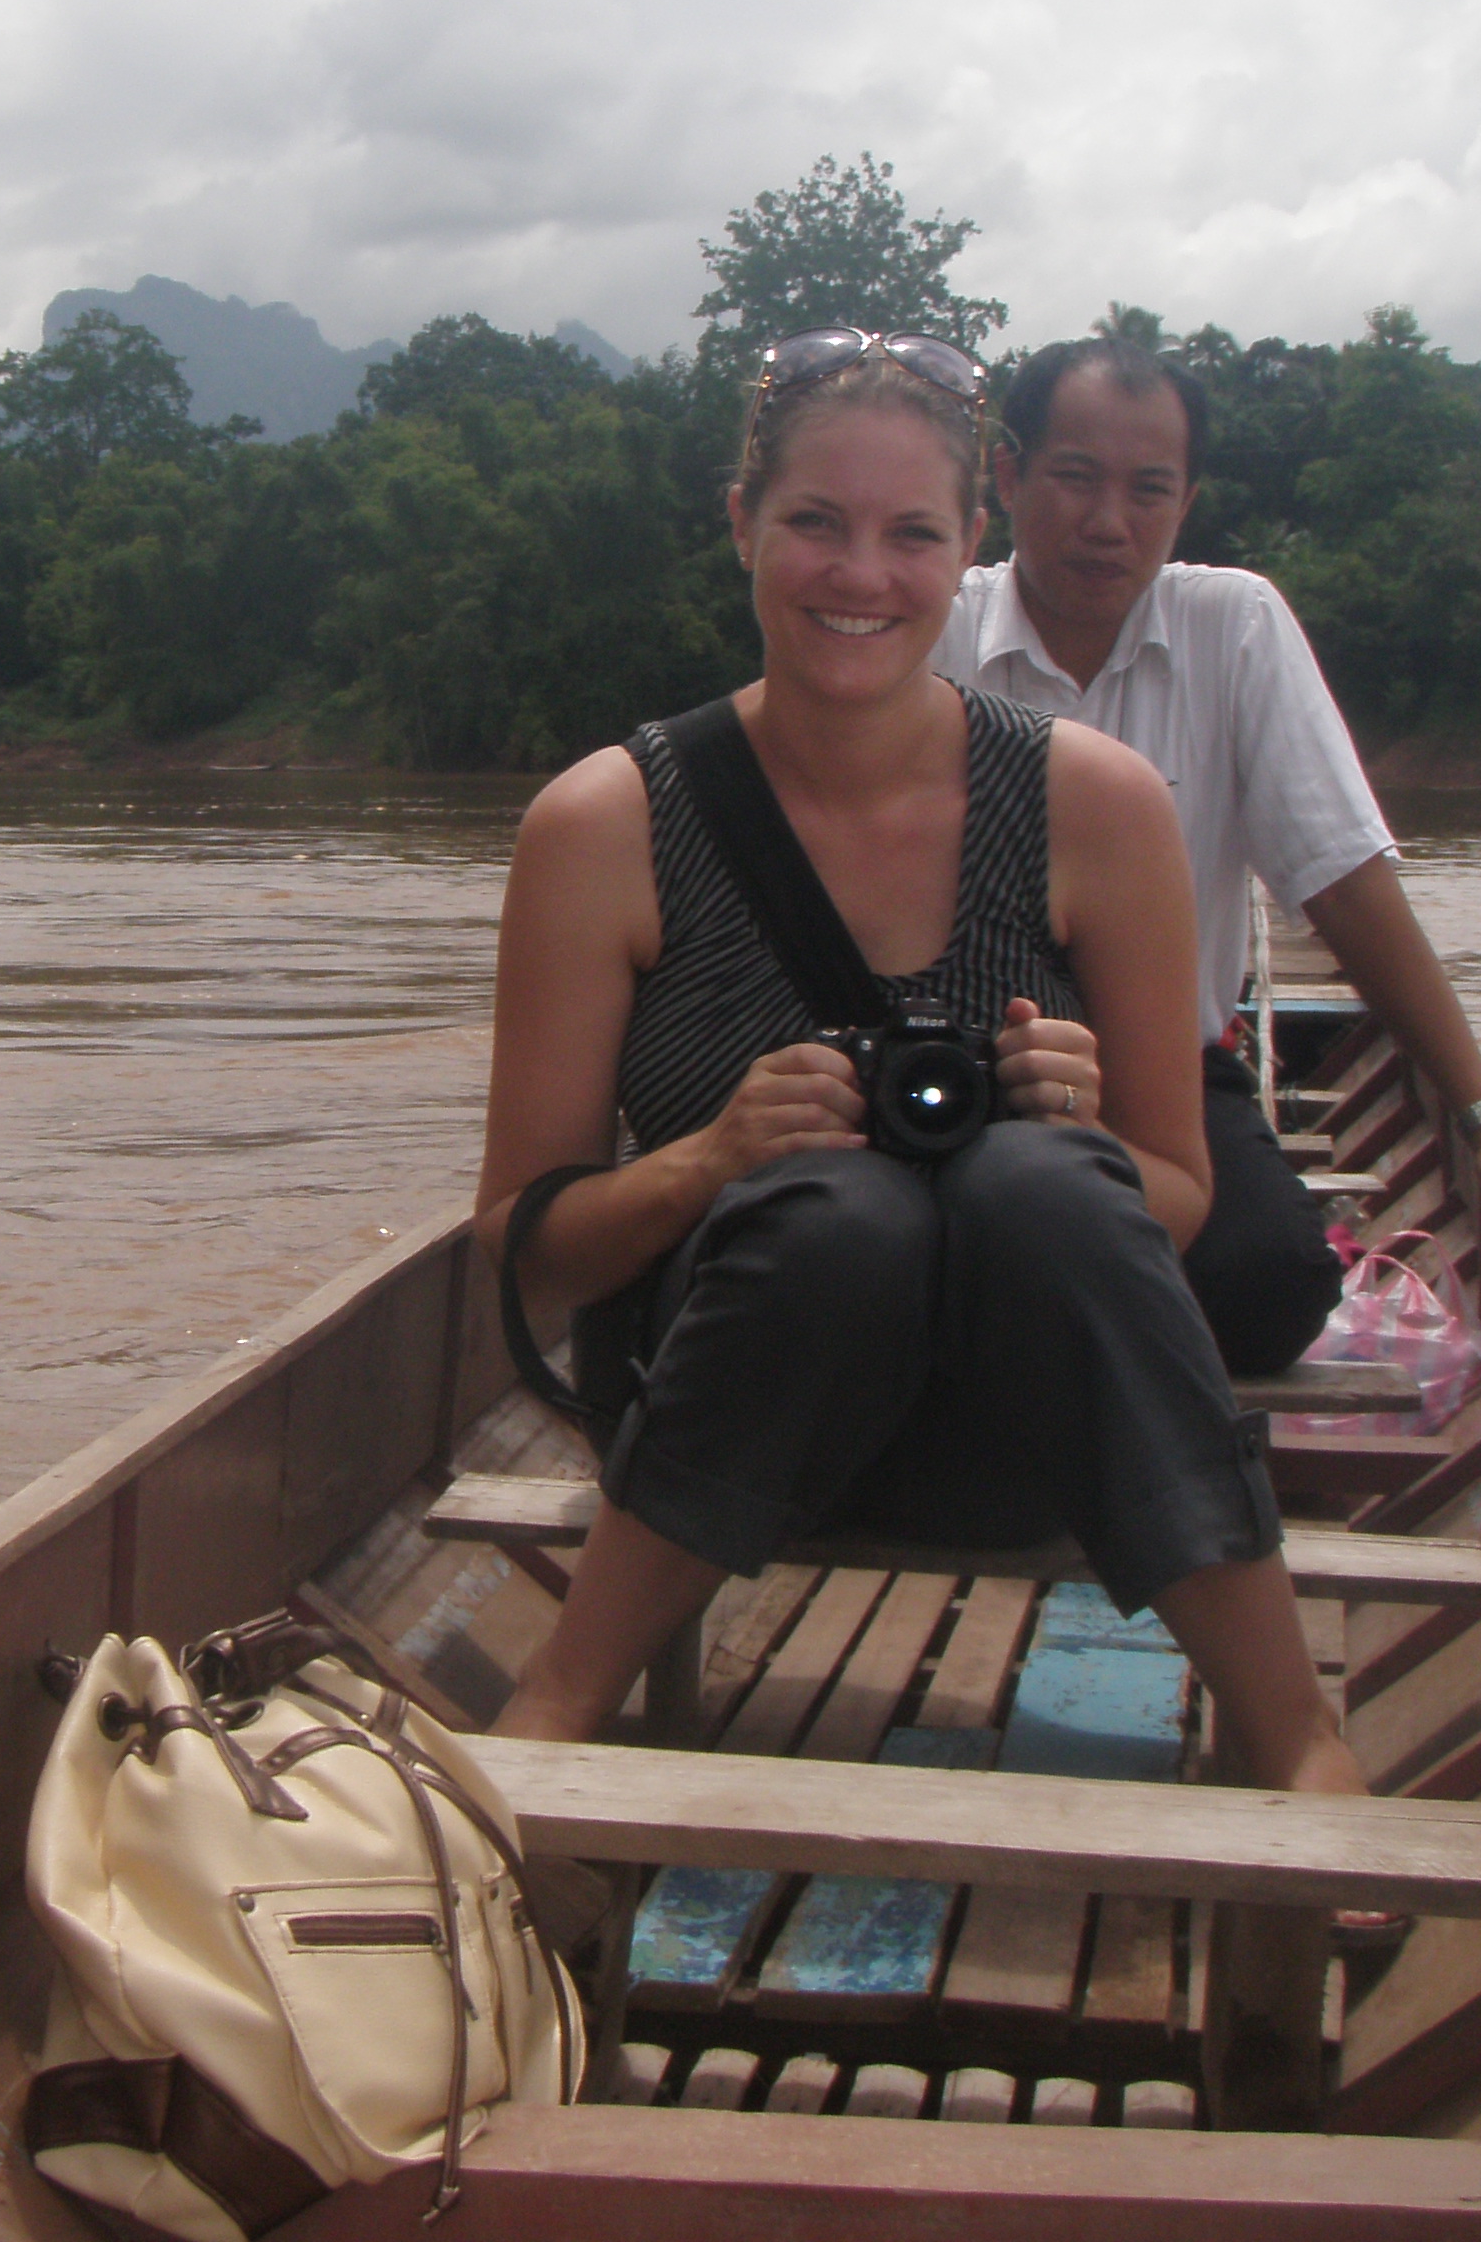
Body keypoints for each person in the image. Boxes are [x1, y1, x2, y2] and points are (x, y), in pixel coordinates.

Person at [474, 327, 1362, 1803]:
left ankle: (1298, 1736)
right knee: (842, 1211)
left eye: (912, 534)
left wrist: (1074, 1130)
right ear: (743, 522)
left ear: (969, 550)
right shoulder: (602, 825)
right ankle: (561, 1700)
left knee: (1043, 1186)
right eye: (815, 522)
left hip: (1036, 1426)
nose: (860, 577)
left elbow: (1181, 1195)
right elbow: (522, 1248)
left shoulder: (1097, 804)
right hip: (733, 1423)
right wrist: (711, 1158)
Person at [934, 338, 1481, 1376]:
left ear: (1186, 500)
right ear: (1011, 477)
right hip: (953, 1064)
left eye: (1148, 489)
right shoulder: (935, 627)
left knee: (1270, 1286)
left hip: (1160, 1079)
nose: (1109, 521)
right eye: (1074, 478)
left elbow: (1342, 880)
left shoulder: (1234, 625)